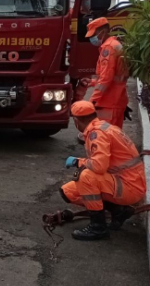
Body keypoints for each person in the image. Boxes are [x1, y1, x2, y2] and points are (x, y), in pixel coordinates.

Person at [60, 101, 146, 241]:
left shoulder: (97, 133)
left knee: (86, 176)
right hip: (125, 181)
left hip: (129, 186)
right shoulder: (103, 127)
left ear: (76, 121)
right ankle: (118, 211)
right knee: (68, 192)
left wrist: (77, 161)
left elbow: (98, 166)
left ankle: (98, 227)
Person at [79, 17, 129, 129]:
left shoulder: (108, 48)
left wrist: (92, 101)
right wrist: (92, 82)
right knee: (113, 135)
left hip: (109, 102)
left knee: (105, 136)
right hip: (116, 100)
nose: (92, 38)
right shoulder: (114, 45)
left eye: (93, 35)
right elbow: (112, 77)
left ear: (103, 32)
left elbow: (106, 78)